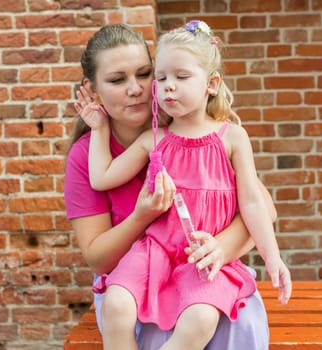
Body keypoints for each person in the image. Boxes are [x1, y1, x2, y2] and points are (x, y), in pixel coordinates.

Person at [77, 21, 291, 350]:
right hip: (156, 251)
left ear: (211, 83)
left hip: (200, 257)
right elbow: (102, 177)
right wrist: (99, 128)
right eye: (161, 79)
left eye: (181, 77)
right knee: (118, 306)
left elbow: (253, 204)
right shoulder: (155, 140)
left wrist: (273, 257)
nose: (168, 88)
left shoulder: (232, 138)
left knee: (201, 319)